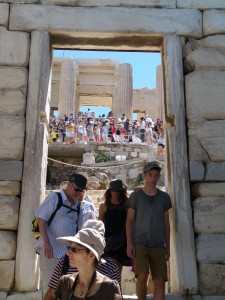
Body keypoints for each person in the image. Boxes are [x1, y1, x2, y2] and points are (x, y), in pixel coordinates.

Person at [126, 161, 172, 300]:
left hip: (158, 244)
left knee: (159, 280)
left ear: (159, 177)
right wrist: (129, 244)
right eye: (150, 175)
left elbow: (166, 223)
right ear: (144, 175)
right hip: (140, 242)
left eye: (156, 175)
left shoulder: (164, 198)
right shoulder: (136, 196)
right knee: (142, 276)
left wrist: (168, 247)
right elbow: (129, 221)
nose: (153, 178)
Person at [35, 173, 87, 293]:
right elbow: (41, 219)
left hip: (68, 255)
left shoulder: (77, 206)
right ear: (68, 184)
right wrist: (46, 243)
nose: (78, 193)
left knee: (65, 290)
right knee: (50, 290)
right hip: (51, 252)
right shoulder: (54, 198)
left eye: (81, 191)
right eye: (76, 189)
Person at [44, 220, 121, 300]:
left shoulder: (110, 287)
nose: (68, 253)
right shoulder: (64, 282)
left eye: (74, 249)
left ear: (91, 254)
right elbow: (50, 296)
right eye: (69, 248)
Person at [99, 179, 130, 273]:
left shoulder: (126, 205)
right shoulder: (103, 206)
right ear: (109, 191)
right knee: (107, 268)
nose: (115, 192)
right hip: (108, 240)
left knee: (118, 269)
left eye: (117, 190)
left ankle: (117, 287)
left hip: (122, 240)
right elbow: (100, 223)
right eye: (112, 190)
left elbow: (130, 222)